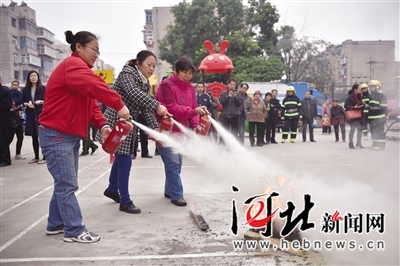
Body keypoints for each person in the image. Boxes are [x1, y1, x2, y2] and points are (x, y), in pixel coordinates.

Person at [38, 30, 131, 243]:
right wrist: (118, 104)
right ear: (78, 47)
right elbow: (95, 87)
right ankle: (74, 230)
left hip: (67, 135)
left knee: (64, 183)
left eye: (99, 51)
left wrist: (103, 126)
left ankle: (56, 223)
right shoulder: (72, 66)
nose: (97, 54)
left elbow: (91, 104)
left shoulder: (80, 71)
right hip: (56, 134)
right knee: (67, 185)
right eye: (94, 49)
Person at [100, 50, 168, 213]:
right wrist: (156, 105)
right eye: (148, 65)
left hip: (127, 125)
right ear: (138, 63)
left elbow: (144, 107)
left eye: (153, 66)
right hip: (116, 122)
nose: (151, 68)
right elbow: (133, 93)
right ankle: (125, 201)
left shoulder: (144, 81)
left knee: (120, 158)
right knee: (125, 161)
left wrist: (154, 126)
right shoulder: (128, 73)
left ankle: (112, 188)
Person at [155, 56, 207, 207]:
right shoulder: (166, 85)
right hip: (166, 129)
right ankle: (177, 195)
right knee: (172, 163)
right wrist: (192, 111)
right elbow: (171, 108)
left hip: (181, 132)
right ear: (177, 71)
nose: (188, 76)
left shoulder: (190, 87)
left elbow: (194, 106)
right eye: (185, 72)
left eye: (190, 73)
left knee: (178, 164)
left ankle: (169, 189)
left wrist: (197, 125)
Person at [23, 70, 46, 164]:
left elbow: (48, 100)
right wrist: (27, 104)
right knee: (34, 136)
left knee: (42, 136)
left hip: (40, 114)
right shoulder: (25, 89)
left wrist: (40, 102)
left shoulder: (43, 88)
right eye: (31, 76)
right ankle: (36, 156)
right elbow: (22, 101)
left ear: (38, 77)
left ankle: (45, 157)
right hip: (31, 114)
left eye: (35, 76)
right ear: (29, 78)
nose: (33, 77)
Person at [365, 80, 387, 150]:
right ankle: (374, 144)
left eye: (373, 87)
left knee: (379, 131)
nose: (371, 88)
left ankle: (381, 145)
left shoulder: (381, 96)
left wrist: (381, 117)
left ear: (377, 87)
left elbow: (383, 107)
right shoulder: (370, 96)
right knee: (373, 132)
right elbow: (368, 107)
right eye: (370, 87)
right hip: (372, 118)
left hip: (379, 118)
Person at [219, 79, 241, 144]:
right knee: (224, 132)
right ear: (228, 85)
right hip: (226, 116)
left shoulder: (237, 94)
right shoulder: (223, 93)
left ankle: (234, 146)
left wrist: (235, 97)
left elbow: (240, 104)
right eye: (231, 84)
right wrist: (228, 96)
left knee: (235, 132)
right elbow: (221, 102)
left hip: (235, 116)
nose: (233, 86)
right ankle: (221, 146)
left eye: (234, 85)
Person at [344, 84, 364, 149]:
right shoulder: (350, 97)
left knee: (360, 130)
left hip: (360, 115)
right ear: (355, 89)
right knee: (352, 129)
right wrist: (353, 107)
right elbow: (346, 106)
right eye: (359, 88)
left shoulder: (360, 97)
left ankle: (359, 143)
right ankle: (351, 143)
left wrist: (363, 104)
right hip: (353, 116)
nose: (360, 90)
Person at [10, 80, 26, 159]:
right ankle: (4, 154)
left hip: (19, 117)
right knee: (9, 138)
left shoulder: (20, 93)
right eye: (13, 85)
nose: (14, 86)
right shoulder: (9, 93)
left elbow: (20, 102)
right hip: (11, 119)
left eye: (16, 85)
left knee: (20, 137)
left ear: (18, 86)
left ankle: (18, 153)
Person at [0, 79, 13, 167]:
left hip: (2, 119)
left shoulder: (5, 91)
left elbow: (7, 105)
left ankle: (6, 160)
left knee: (3, 140)